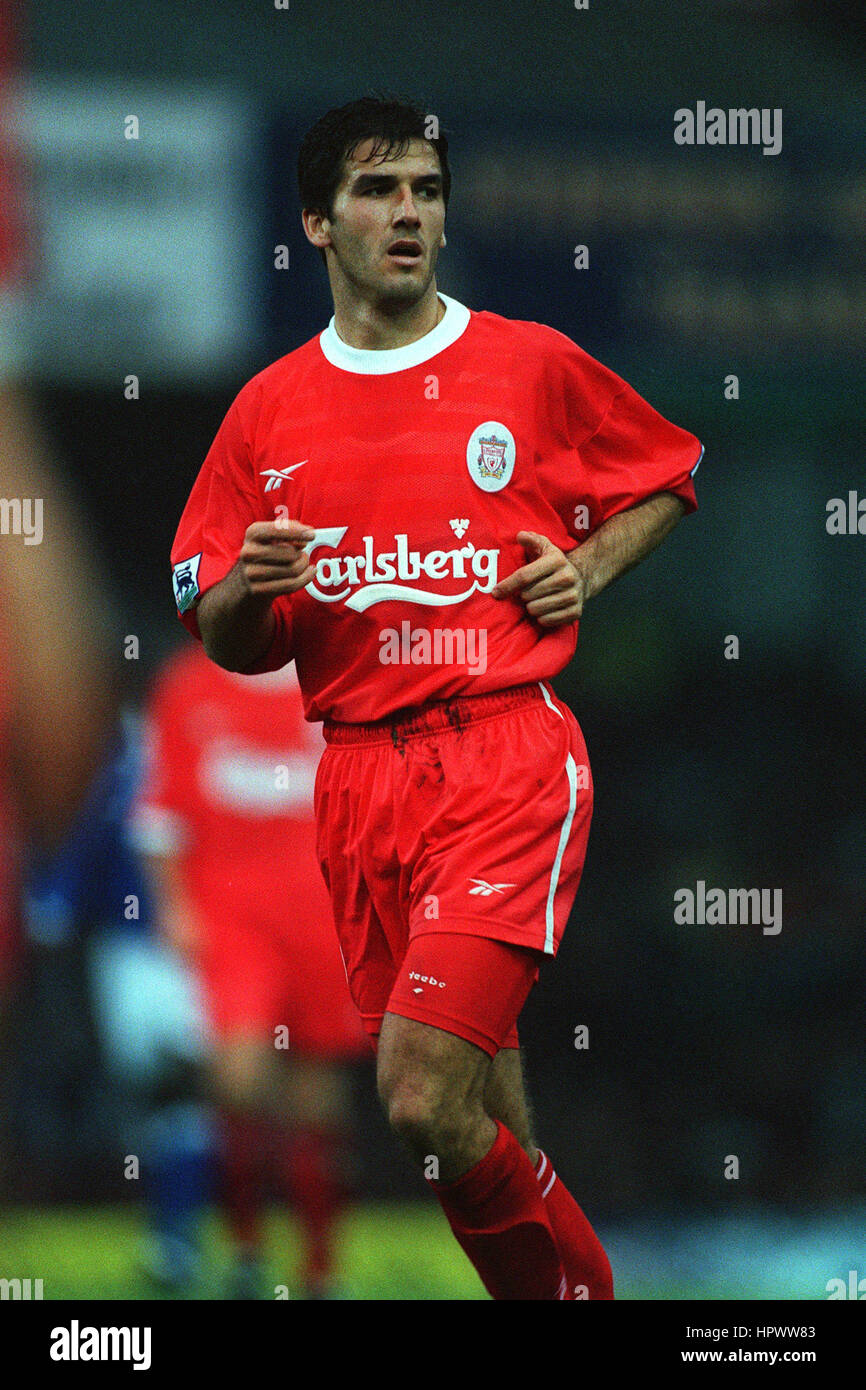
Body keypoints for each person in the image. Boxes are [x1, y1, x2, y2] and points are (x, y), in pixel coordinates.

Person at [170, 96, 702, 1301]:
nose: (407, 212)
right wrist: (252, 589)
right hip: (358, 778)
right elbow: (224, 632)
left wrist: (585, 569)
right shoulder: (267, 410)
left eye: (423, 188)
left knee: (414, 1097)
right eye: (375, 190)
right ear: (315, 220)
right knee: (474, 1117)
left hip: (500, 756)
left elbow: (670, 472)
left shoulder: (525, 361)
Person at [132, 644, 366, 1298]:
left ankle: (321, 1266)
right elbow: (157, 811)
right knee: (238, 1076)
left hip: (323, 915)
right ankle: (246, 1248)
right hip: (230, 916)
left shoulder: (342, 674)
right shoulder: (186, 686)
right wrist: (174, 906)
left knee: (316, 1096)